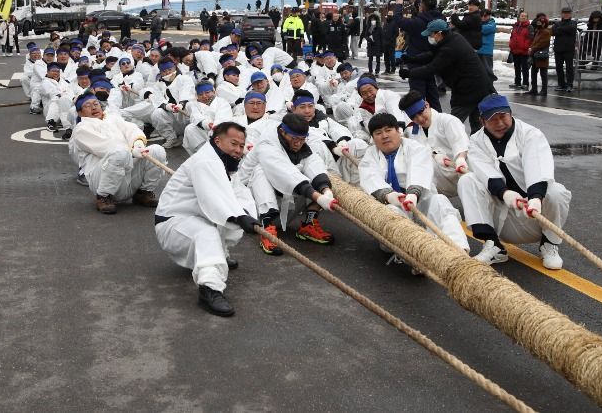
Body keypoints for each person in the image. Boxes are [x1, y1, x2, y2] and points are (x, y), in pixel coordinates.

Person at [154, 122, 258, 317]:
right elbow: (214, 199)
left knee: (228, 216)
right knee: (208, 232)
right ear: (217, 141)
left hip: (195, 218)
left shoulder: (225, 163)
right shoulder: (206, 161)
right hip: (173, 223)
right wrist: (239, 215)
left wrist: (247, 214)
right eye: (233, 143)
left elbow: (238, 193)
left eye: (241, 146)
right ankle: (210, 289)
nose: (238, 150)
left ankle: (218, 255)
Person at [458, 94, 571, 270]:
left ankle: (549, 244)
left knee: (557, 192)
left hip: (535, 215)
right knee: (468, 180)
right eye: (492, 119)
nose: (500, 123)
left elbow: (538, 167)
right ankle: (494, 245)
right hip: (503, 215)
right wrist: (506, 193)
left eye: (503, 116)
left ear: (511, 113)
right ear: (482, 121)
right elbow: (484, 173)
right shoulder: (476, 141)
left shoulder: (530, 134)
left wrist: (535, 198)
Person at [359, 112, 469, 259]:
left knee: (440, 202)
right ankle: (414, 257)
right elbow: (370, 176)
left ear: (398, 131)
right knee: (391, 212)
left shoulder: (415, 147)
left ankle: (459, 252)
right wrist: (389, 196)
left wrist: (413, 194)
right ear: (373, 138)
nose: (384, 136)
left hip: (420, 202)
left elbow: (419, 168)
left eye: (388, 130)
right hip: (393, 205)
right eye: (378, 133)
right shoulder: (370, 154)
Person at [239, 113, 337, 251]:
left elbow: (312, 162)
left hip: (286, 205)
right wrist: (319, 198)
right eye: (294, 139)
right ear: (282, 132)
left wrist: (326, 190)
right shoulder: (267, 143)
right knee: (260, 170)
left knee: (320, 178)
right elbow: (286, 174)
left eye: (302, 139)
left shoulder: (301, 141)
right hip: (253, 211)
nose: (298, 143)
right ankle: (266, 228)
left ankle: (309, 223)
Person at [72, 92, 168, 214]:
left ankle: (144, 192)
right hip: (103, 180)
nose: (94, 107)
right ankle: (103, 197)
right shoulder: (81, 129)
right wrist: (132, 152)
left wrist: (137, 144)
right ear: (80, 112)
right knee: (120, 152)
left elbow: (131, 129)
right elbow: (106, 147)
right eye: (88, 105)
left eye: (96, 103)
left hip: (128, 175)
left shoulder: (113, 119)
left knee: (156, 150)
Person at [399, 19, 494, 132]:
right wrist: (412, 59)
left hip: (468, 90)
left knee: (451, 124)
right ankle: (478, 146)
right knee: (477, 126)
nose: (429, 37)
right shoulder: (451, 39)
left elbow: (432, 68)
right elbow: (433, 55)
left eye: (431, 34)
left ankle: (444, 146)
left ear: (438, 33)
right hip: (477, 87)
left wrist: (409, 73)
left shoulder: (450, 47)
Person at [398, 90, 469, 197]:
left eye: (421, 112)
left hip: (460, 172)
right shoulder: (411, 131)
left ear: (427, 105)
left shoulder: (448, 121)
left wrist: (460, 159)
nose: (420, 119)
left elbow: (461, 145)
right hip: (437, 179)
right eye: (413, 117)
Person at [551, 6, 577, 92]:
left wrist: (560, 29)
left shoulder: (573, 22)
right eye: (564, 13)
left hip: (569, 48)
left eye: (568, 13)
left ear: (570, 14)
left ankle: (569, 85)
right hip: (558, 48)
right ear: (562, 14)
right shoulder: (557, 23)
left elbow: (571, 29)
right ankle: (561, 84)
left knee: (569, 67)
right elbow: (553, 32)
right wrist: (564, 30)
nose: (566, 14)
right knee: (559, 67)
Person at [527, 13, 551, 97]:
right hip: (535, 55)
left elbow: (542, 44)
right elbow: (534, 42)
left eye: (540, 23)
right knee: (534, 72)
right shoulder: (538, 31)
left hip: (541, 55)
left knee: (543, 73)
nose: (539, 24)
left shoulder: (546, 32)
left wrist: (532, 48)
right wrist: (531, 48)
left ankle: (544, 90)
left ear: (544, 23)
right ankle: (534, 89)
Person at [508, 11, 532, 90]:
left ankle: (525, 83)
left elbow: (530, 38)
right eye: (522, 16)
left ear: (527, 18)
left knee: (525, 68)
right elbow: (512, 36)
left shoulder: (529, 27)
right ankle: (517, 82)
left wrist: (526, 46)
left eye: (525, 16)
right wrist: (511, 44)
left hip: (524, 51)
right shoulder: (516, 26)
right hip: (515, 50)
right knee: (517, 67)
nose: (523, 17)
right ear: (519, 17)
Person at [477, 8, 497, 80]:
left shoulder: (492, 24)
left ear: (489, 16)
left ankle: (490, 88)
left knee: (488, 71)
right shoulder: (479, 24)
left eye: (485, 16)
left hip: (486, 52)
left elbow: (483, 30)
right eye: (481, 15)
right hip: (478, 50)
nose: (483, 17)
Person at [381, 9, 398, 74]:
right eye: (388, 15)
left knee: (392, 57)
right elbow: (383, 32)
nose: (389, 16)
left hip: (391, 43)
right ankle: (387, 69)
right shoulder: (386, 23)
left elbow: (396, 33)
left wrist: (391, 40)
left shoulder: (394, 23)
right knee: (386, 57)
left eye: (390, 15)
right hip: (385, 43)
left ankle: (393, 69)